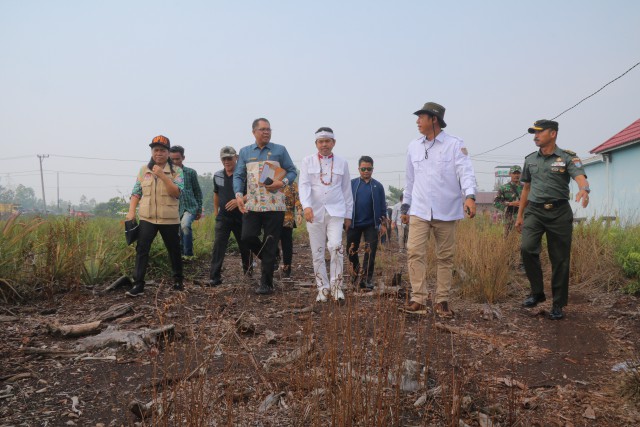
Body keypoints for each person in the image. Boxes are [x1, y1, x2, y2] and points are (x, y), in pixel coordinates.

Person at [400, 102, 477, 318]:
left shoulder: (454, 144)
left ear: (433, 119)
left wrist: (470, 196)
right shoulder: (414, 146)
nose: (417, 121)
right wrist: (406, 206)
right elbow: (410, 180)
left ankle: (442, 300)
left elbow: (466, 173)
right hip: (419, 209)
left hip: (446, 210)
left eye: (421, 117)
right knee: (414, 252)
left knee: (445, 257)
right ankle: (419, 298)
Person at [515, 120, 590, 320]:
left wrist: (584, 189)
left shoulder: (567, 158)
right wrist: (520, 215)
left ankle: (558, 304)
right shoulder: (530, 160)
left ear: (553, 133)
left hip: (559, 213)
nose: (535, 136)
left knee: (560, 259)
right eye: (534, 133)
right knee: (527, 248)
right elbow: (526, 188)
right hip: (535, 212)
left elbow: (580, 176)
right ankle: (537, 293)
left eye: (539, 132)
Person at [234, 118, 297, 295]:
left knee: (270, 242)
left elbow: (292, 171)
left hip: (274, 206)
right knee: (247, 237)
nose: (266, 132)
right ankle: (270, 257)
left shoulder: (280, 150)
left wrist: (282, 182)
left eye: (269, 129)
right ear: (254, 132)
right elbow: (238, 176)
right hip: (252, 205)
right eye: (262, 129)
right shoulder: (245, 152)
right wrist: (239, 195)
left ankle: (266, 284)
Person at [125, 135, 185, 297]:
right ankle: (138, 284)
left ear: (168, 153)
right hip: (147, 217)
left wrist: (163, 176)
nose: (158, 153)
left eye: (162, 150)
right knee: (142, 249)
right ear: (152, 152)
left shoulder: (176, 171)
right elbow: (136, 192)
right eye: (155, 150)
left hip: (169, 218)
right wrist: (131, 212)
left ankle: (178, 280)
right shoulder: (144, 170)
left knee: (174, 250)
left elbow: (177, 193)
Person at [299, 127, 353, 303]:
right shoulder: (307, 161)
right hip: (314, 213)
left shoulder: (342, 163)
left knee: (336, 246)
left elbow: (347, 190)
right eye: (321, 141)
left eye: (327, 141)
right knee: (318, 252)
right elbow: (304, 185)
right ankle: (322, 288)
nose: (324, 144)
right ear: (316, 143)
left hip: (336, 212)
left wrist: (348, 215)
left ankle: (337, 287)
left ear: (333, 143)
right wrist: (306, 206)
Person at [208, 146, 252, 287]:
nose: (227, 161)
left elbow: (253, 192)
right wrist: (216, 211)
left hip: (241, 216)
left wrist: (239, 200)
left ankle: (248, 271)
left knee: (245, 244)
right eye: (224, 158)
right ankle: (214, 277)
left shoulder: (243, 175)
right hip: (223, 217)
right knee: (219, 245)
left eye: (229, 158)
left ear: (236, 158)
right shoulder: (218, 176)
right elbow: (216, 193)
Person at [347, 156, 387, 290]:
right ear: (358, 169)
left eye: (369, 169)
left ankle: (366, 279)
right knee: (351, 250)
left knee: (370, 252)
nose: (366, 171)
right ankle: (356, 273)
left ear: (372, 169)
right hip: (354, 224)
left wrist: (382, 224)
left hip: (371, 224)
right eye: (363, 168)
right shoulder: (351, 184)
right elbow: (345, 202)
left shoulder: (378, 186)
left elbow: (382, 207)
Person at [169, 145, 203, 260]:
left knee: (185, 225)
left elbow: (197, 191)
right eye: (172, 159)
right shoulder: (167, 174)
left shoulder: (190, 172)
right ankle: (180, 256)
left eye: (177, 159)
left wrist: (199, 209)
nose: (175, 162)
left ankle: (188, 255)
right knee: (177, 233)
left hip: (190, 207)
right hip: (174, 208)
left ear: (183, 158)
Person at [278, 180, 303, 279]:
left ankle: (287, 268)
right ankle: (274, 260)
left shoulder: (292, 183)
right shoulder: (271, 179)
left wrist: (299, 212)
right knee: (271, 241)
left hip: (287, 218)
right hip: (272, 218)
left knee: (287, 244)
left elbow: (297, 199)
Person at [494, 165, 523, 235]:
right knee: (508, 241)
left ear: (521, 174)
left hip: (523, 219)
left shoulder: (525, 188)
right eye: (514, 173)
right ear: (510, 174)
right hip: (509, 219)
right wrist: (510, 204)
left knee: (524, 241)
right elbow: (496, 203)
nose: (516, 175)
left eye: (518, 173)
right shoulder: (503, 188)